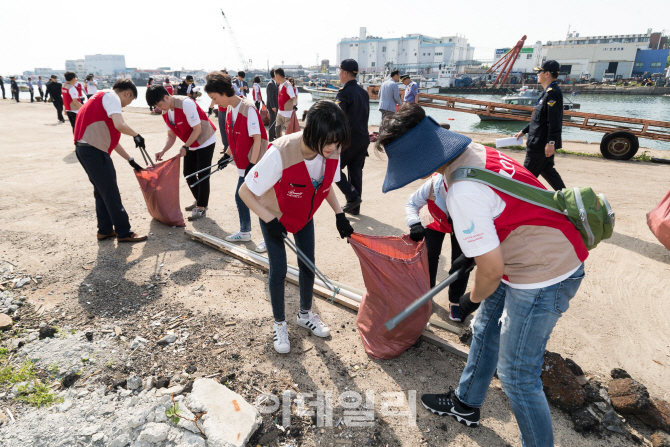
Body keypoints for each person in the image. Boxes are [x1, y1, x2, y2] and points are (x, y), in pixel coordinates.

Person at [376, 103, 588, 446]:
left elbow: (491, 270)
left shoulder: (463, 191)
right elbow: (505, 214)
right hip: (527, 253)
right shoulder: (474, 151)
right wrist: (472, 260)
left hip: (544, 273)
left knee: (518, 375)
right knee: (486, 329)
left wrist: (469, 297)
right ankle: (466, 403)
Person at [238, 100, 355, 354]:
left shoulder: (331, 148)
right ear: (312, 132)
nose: (334, 149)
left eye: (338, 144)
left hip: (304, 214)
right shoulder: (280, 152)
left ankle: (305, 314)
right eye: (330, 143)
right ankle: (280, 323)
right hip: (275, 215)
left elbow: (326, 185)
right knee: (278, 269)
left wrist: (339, 214)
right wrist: (269, 221)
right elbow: (245, 192)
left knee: (308, 264)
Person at [73, 78, 148, 243]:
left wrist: (130, 159)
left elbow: (112, 141)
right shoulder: (112, 97)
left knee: (102, 192)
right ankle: (124, 232)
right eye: (128, 102)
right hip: (93, 151)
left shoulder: (100, 97)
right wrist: (136, 135)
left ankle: (105, 230)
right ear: (127, 93)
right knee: (111, 192)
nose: (124, 106)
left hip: (84, 149)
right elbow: (120, 125)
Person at [204, 71, 268, 252]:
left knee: (259, 201)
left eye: (215, 98)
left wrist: (252, 165)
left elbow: (257, 139)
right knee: (243, 198)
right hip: (242, 164)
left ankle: (267, 238)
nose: (215, 103)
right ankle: (245, 231)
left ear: (223, 93)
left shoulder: (248, 109)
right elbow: (235, 138)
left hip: (254, 164)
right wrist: (226, 155)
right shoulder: (230, 109)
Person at [405, 173, 470, 322]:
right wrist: (414, 223)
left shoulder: (472, 188)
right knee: (429, 256)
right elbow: (411, 203)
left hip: (464, 221)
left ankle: (456, 300)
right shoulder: (433, 184)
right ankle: (426, 295)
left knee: (461, 261)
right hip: (436, 217)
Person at [147, 85, 217, 221]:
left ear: (167, 97)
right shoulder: (165, 111)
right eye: (157, 106)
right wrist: (163, 150)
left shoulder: (186, 103)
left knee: (203, 174)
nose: (160, 108)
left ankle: (202, 207)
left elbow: (197, 130)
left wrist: (185, 146)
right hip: (190, 142)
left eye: (160, 104)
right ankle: (199, 200)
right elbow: (171, 136)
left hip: (205, 140)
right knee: (188, 173)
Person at [514, 60, 566, 191]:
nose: (537, 74)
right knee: (548, 171)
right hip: (538, 141)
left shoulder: (553, 93)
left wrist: (551, 142)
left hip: (540, 144)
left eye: (539, 72)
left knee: (524, 179)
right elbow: (539, 118)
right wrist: (524, 131)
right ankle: (567, 199)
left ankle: (518, 206)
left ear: (547, 73)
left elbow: (554, 120)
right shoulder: (547, 92)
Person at [335, 59, 370, 216]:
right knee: (355, 171)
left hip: (349, 139)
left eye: (339, 71)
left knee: (332, 168)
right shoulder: (363, 92)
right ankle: (355, 207)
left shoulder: (344, 93)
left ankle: (352, 196)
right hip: (363, 138)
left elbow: (338, 118)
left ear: (345, 73)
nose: (339, 74)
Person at [274, 68, 295, 139]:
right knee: (277, 130)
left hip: (288, 114)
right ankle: (279, 146)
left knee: (288, 134)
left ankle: (289, 147)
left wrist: (294, 106)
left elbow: (293, 98)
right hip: (280, 113)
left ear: (278, 76)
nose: (274, 78)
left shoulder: (288, 86)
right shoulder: (280, 85)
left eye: (275, 76)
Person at [266, 69, 279, 142]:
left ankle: (273, 135)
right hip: (272, 106)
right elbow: (270, 96)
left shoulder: (274, 83)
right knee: (272, 121)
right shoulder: (271, 84)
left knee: (274, 121)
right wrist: (273, 106)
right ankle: (270, 137)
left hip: (275, 106)